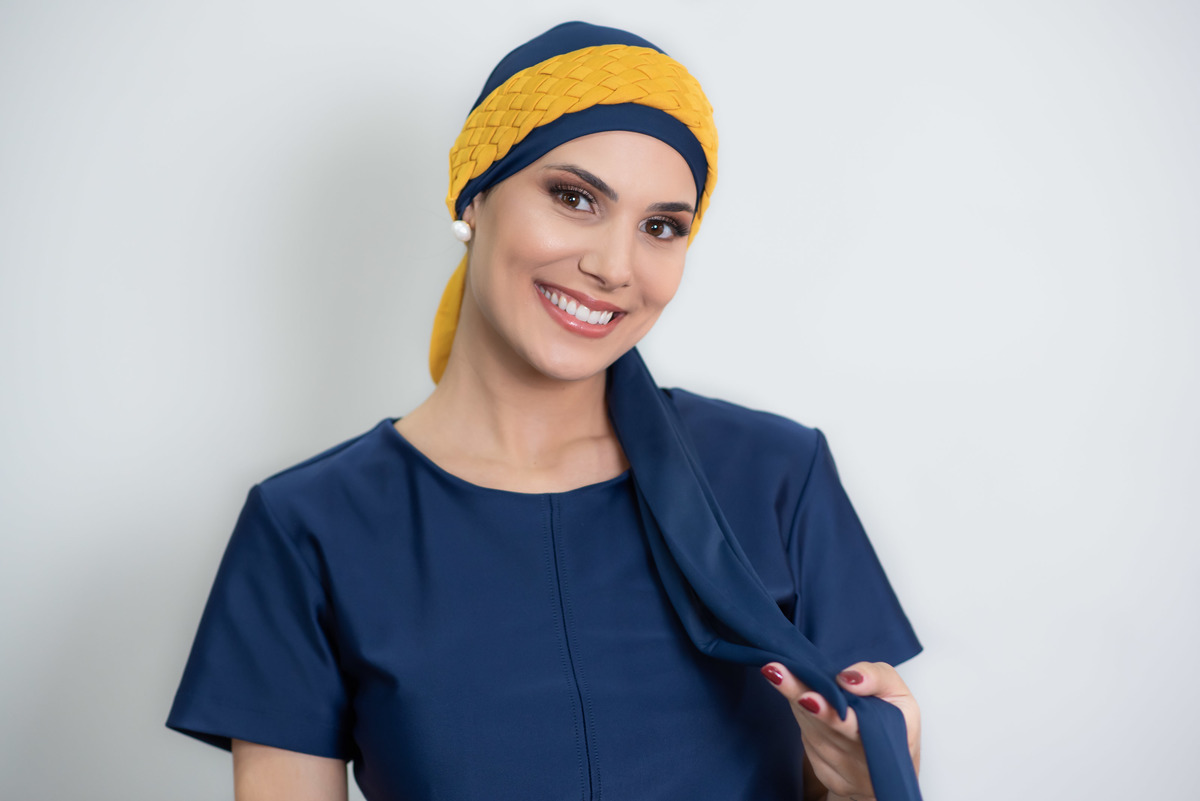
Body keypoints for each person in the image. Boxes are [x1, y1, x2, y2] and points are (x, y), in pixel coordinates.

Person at [168, 21, 923, 801]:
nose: (614, 266)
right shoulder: (307, 529)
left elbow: (851, 777)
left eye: (661, 226)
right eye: (574, 198)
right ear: (474, 195)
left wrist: (869, 788)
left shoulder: (777, 478)